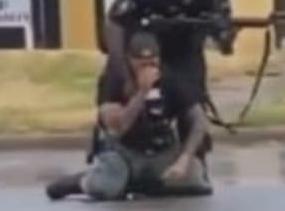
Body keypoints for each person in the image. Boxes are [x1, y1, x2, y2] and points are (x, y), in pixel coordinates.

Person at [90, 0, 233, 162]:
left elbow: (219, 20)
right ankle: (104, 153)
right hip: (143, 47)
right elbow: (114, 25)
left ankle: (194, 161)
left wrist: (224, 35)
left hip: (185, 47)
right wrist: (124, 73)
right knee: (115, 92)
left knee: (192, 99)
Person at [48, 32, 212, 201]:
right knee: (105, 189)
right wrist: (141, 92)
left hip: (159, 150)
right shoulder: (115, 79)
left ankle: (146, 183)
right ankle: (81, 181)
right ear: (129, 60)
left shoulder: (169, 78)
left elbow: (198, 119)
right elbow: (118, 127)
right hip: (123, 151)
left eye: (153, 62)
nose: (149, 68)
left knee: (197, 184)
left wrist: (185, 158)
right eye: (142, 63)